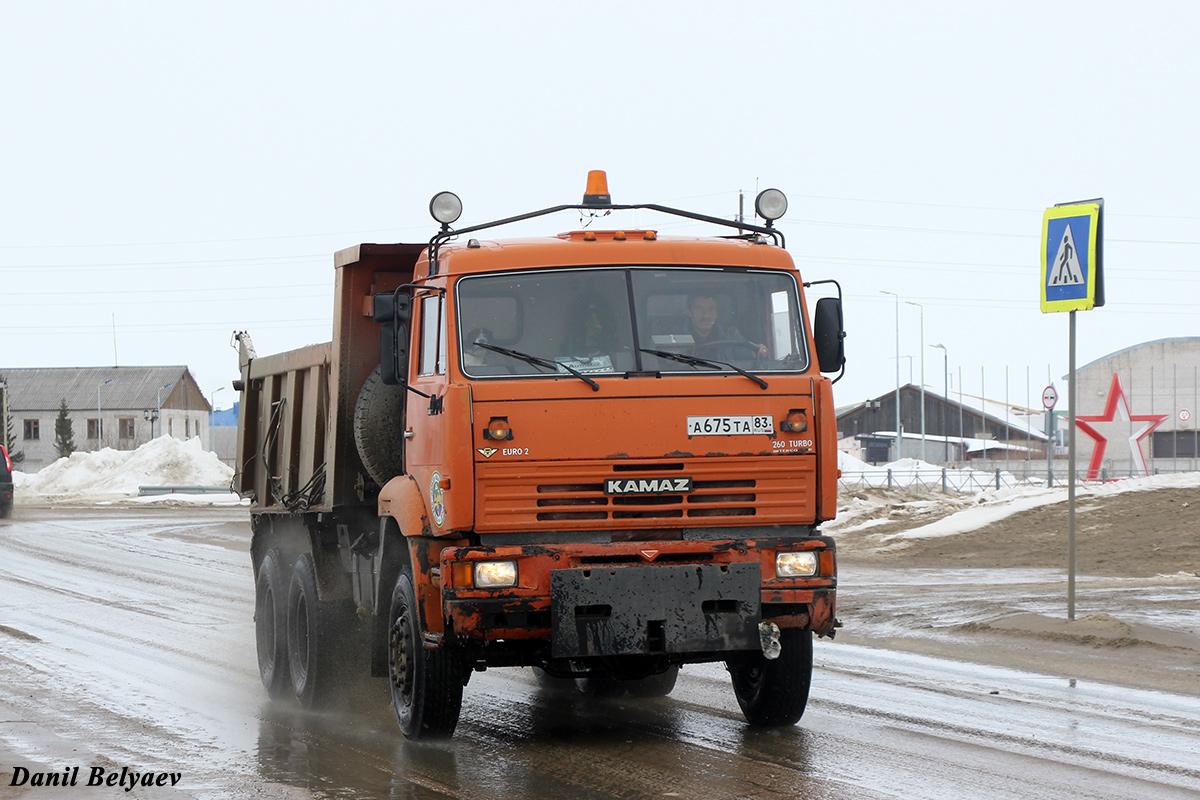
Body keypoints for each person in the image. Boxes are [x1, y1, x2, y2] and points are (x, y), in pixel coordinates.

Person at [683, 293, 767, 360]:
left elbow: (744, 353)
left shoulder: (730, 335)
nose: (706, 315)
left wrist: (757, 351)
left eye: (711, 309)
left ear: (717, 313)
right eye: (699, 308)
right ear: (688, 312)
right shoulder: (675, 337)